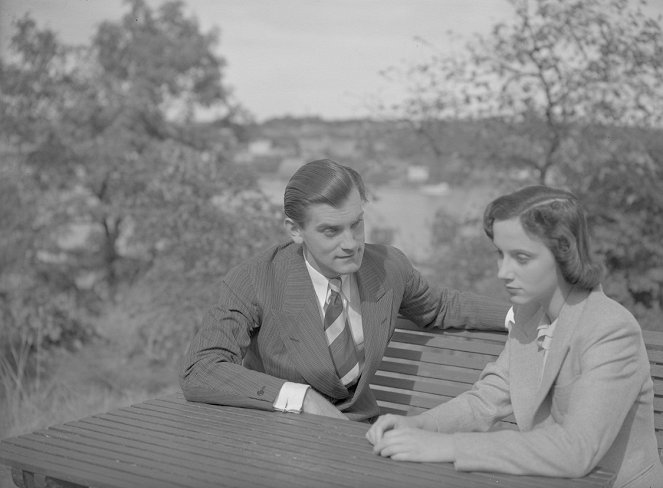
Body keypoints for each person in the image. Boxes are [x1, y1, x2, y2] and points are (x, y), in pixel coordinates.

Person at [366, 185, 663, 487]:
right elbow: (486, 400)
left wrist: (449, 447)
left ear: (565, 254)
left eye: (521, 258)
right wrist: (420, 425)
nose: (503, 272)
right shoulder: (529, 315)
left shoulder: (611, 329)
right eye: (500, 254)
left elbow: (577, 449)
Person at [180, 158, 509, 422]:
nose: (351, 244)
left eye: (357, 224)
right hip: (280, 433)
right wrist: (302, 397)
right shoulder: (256, 279)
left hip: (363, 435)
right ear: (296, 231)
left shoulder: (388, 266)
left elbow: (439, 306)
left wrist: (519, 314)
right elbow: (202, 368)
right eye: (331, 231)